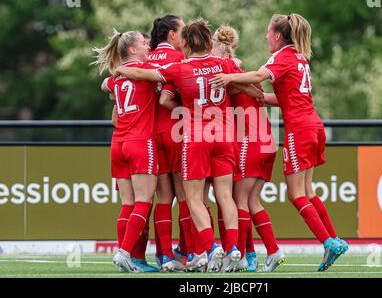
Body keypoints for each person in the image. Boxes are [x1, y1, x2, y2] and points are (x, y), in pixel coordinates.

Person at [211, 14, 349, 272]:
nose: (265, 37)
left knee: (295, 195)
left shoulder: (282, 56)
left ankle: (328, 241)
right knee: (308, 191)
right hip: (313, 125)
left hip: (298, 129)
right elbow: (287, 98)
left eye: (267, 32)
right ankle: (335, 239)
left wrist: (230, 78)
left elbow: (258, 75)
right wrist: (261, 97)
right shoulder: (300, 58)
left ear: (277, 35)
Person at [115, 19, 246, 272]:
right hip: (221, 134)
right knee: (224, 197)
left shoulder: (178, 66)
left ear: (185, 41)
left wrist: (119, 71)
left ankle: (203, 249)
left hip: (186, 136)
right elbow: (249, 79)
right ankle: (231, 250)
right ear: (210, 42)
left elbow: (142, 76)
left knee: (186, 197)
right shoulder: (224, 64)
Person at [212, 25, 284, 272]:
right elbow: (250, 88)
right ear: (234, 47)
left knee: (238, 201)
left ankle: (240, 256)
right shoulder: (238, 72)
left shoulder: (226, 73)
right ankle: (269, 252)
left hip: (250, 142)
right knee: (252, 201)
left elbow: (239, 87)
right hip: (267, 141)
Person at [92, 29, 159, 273]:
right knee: (144, 201)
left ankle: (124, 255)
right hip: (140, 142)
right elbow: (166, 73)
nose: (148, 45)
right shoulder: (146, 71)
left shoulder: (116, 78)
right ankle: (125, 253)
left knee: (127, 203)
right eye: (143, 42)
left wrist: (116, 75)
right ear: (132, 50)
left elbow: (104, 84)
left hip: (118, 144)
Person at [146, 14, 187, 272]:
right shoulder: (180, 59)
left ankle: (164, 256)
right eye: (182, 30)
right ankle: (192, 253)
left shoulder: (145, 60)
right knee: (186, 196)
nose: (185, 36)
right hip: (177, 131)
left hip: (152, 134)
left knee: (163, 197)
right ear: (171, 34)